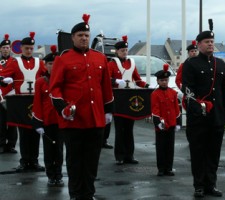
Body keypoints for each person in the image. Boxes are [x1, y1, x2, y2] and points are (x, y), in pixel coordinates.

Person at [49, 14, 114, 200]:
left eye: (86, 35)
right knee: (75, 160)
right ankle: (76, 194)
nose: (84, 38)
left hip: (96, 119)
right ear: (73, 38)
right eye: (80, 35)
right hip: (74, 120)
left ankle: (88, 193)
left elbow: (106, 89)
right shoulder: (64, 59)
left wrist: (108, 112)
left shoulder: (100, 58)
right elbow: (54, 88)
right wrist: (63, 108)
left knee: (92, 160)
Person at [181, 20, 225, 198]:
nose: (211, 44)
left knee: (213, 153)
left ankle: (211, 184)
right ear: (199, 44)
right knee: (198, 153)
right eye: (207, 42)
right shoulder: (191, 64)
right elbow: (187, 89)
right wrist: (197, 107)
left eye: (212, 41)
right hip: (199, 117)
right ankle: (199, 185)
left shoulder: (222, 65)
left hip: (216, 117)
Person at [0, 32, 47, 172]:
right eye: (26, 48)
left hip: (36, 100)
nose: (29, 51)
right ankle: (24, 161)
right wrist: (4, 80)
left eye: (31, 48)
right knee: (24, 131)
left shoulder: (39, 62)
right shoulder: (15, 63)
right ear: (21, 48)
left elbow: (47, 76)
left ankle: (34, 161)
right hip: (21, 101)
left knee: (35, 130)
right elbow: (2, 76)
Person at [108, 35, 149, 165]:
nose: (125, 52)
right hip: (118, 98)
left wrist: (148, 87)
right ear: (117, 51)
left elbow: (137, 79)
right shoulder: (112, 64)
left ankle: (129, 155)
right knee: (120, 129)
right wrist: (116, 81)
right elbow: (106, 80)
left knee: (129, 129)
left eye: (126, 50)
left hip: (130, 98)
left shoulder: (131, 63)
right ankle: (119, 156)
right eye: (122, 50)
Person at [32, 45, 64, 186]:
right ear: (45, 65)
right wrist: (38, 122)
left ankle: (59, 174)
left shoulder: (63, 81)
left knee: (59, 149)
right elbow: (37, 103)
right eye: (50, 63)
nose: (53, 66)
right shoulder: (40, 82)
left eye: (55, 63)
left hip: (62, 121)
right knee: (49, 150)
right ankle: (51, 175)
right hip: (48, 121)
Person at [151, 63, 181, 176]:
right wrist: (158, 123)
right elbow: (155, 109)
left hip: (172, 123)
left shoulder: (173, 93)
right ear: (158, 81)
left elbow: (176, 109)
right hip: (162, 125)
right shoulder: (155, 94)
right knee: (161, 147)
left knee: (170, 147)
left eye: (166, 80)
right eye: (162, 80)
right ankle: (161, 168)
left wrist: (178, 122)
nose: (164, 82)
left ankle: (169, 168)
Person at [0, 33, 18, 154]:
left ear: (10, 49)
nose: (6, 50)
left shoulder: (15, 61)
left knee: (12, 122)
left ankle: (11, 144)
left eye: (8, 48)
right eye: (4, 48)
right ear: (0, 49)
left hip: (11, 96)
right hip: (0, 96)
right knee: (0, 122)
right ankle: (1, 144)